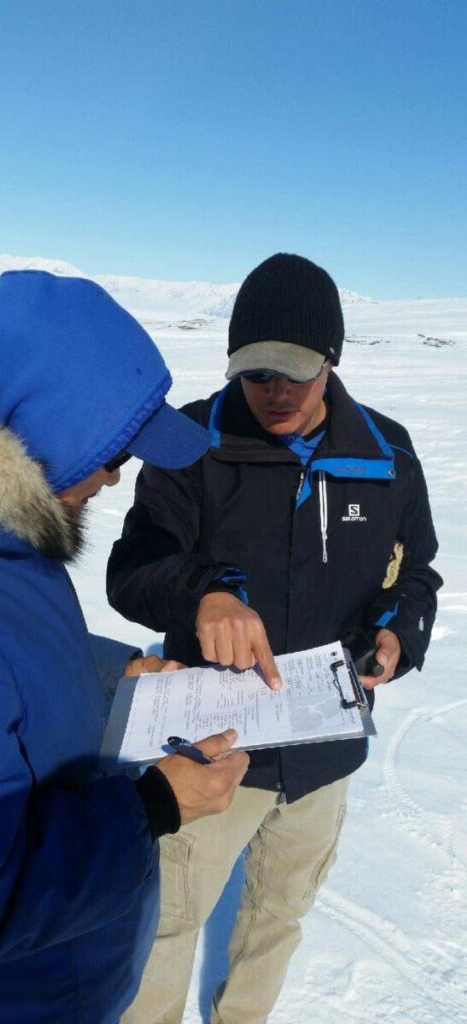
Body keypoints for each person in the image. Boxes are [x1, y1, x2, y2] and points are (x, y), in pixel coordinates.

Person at [0, 271, 250, 1024]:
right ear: (49, 429)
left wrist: (112, 670)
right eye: (114, 451)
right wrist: (153, 806)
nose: (117, 477)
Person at [107, 253, 442, 1024]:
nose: (276, 391)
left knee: (277, 918)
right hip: (211, 746)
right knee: (165, 925)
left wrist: (398, 635)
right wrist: (204, 593)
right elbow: (133, 570)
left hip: (324, 750)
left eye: (294, 371)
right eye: (256, 373)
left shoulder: (387, 456)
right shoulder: (191, 440)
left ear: (332, 360)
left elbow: (415, 574)